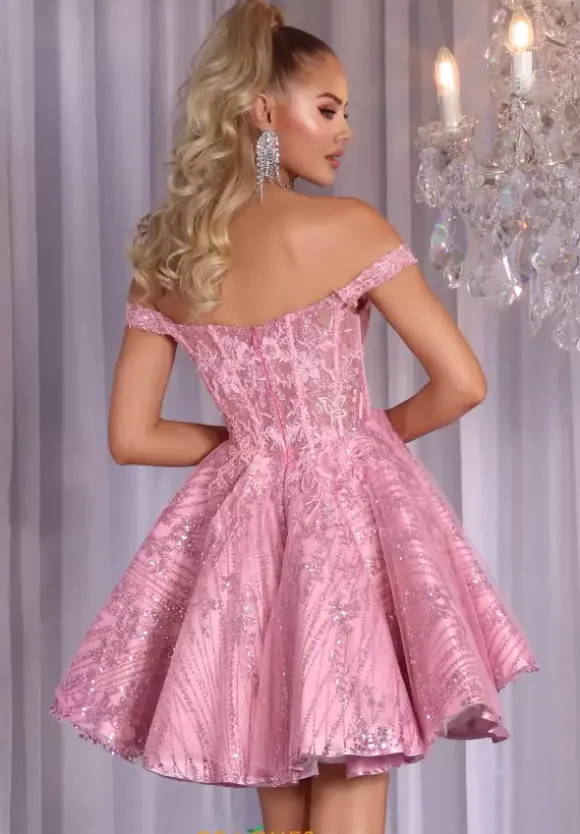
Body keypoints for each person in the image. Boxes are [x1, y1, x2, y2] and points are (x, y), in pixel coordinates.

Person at [50, 2, 539, 833]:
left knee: (286, 809)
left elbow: (132, 438)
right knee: (354, 773)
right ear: (261, 112)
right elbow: (462, 384)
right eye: (328, 108)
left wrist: (256, 447)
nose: (346, 131)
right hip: (346, 529)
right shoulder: (349, 228)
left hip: (249, 540)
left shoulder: (167, 254)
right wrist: (352, 436)